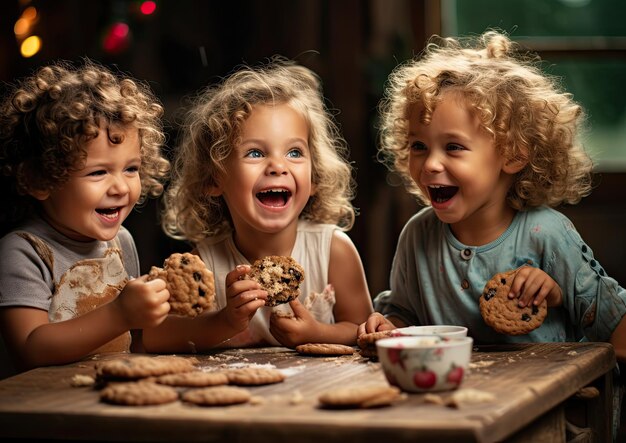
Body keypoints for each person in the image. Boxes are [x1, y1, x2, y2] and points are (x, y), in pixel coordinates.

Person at [358, 30, 626, 361]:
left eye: (453, 147)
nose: (429, 164)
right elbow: (405, 315)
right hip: (454, 401)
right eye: (418, 146)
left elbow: (614, 324)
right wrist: (388, 326)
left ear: (512, 155)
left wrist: (557, 295)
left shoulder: (548, 234)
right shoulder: (418, 234)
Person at [142, 58, 373, 353]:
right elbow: (153, 336)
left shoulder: (333, 251)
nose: (277, 165)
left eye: (294, 152)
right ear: (214, 179)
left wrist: (316, 332)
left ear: (314, 176)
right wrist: (223, 322)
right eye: (254, 153)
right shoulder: (207, 263)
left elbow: (364, 329)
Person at [0, 60, 171, 378]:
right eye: (98, 172)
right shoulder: (21, 252)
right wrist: (120, 313)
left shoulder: (121, 242)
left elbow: (133, 343)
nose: (121, 187)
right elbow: (29, 350)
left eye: (131, 168)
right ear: (41, 179)